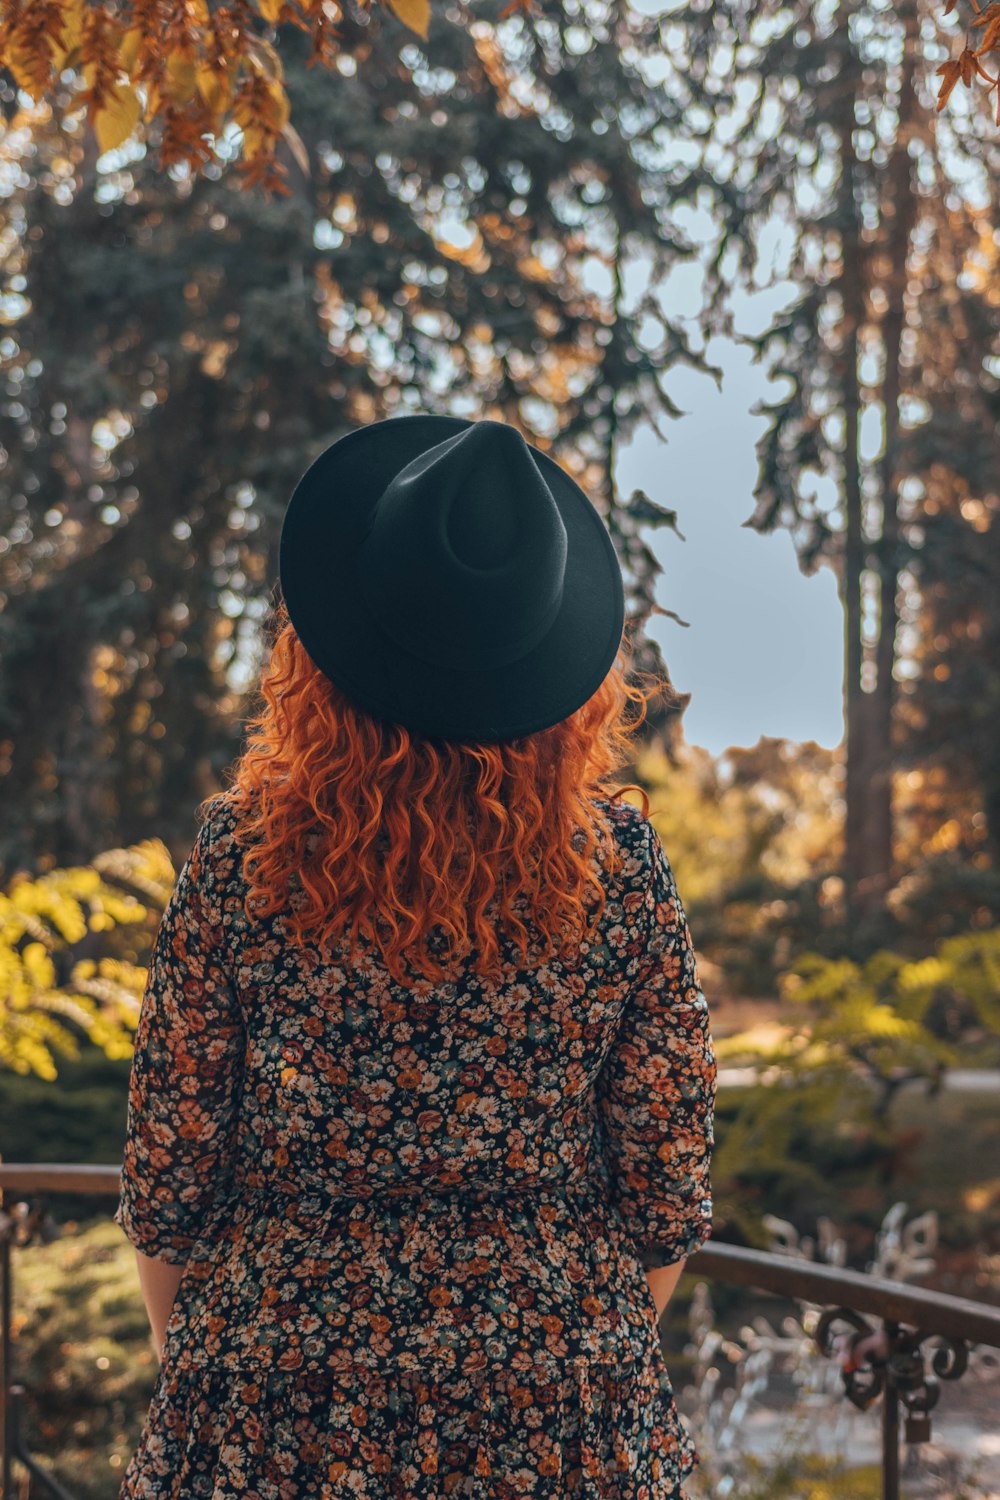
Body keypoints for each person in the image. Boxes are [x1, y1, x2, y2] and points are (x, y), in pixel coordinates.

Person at [113, 415, 718, 1498]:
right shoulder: (620, 869)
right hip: (561, 1409)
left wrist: (209, 1355)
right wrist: (556, 1340)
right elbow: (666, 1188)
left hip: (274, 1397)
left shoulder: (241, 860)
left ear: (326, 650)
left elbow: (171, 1169)